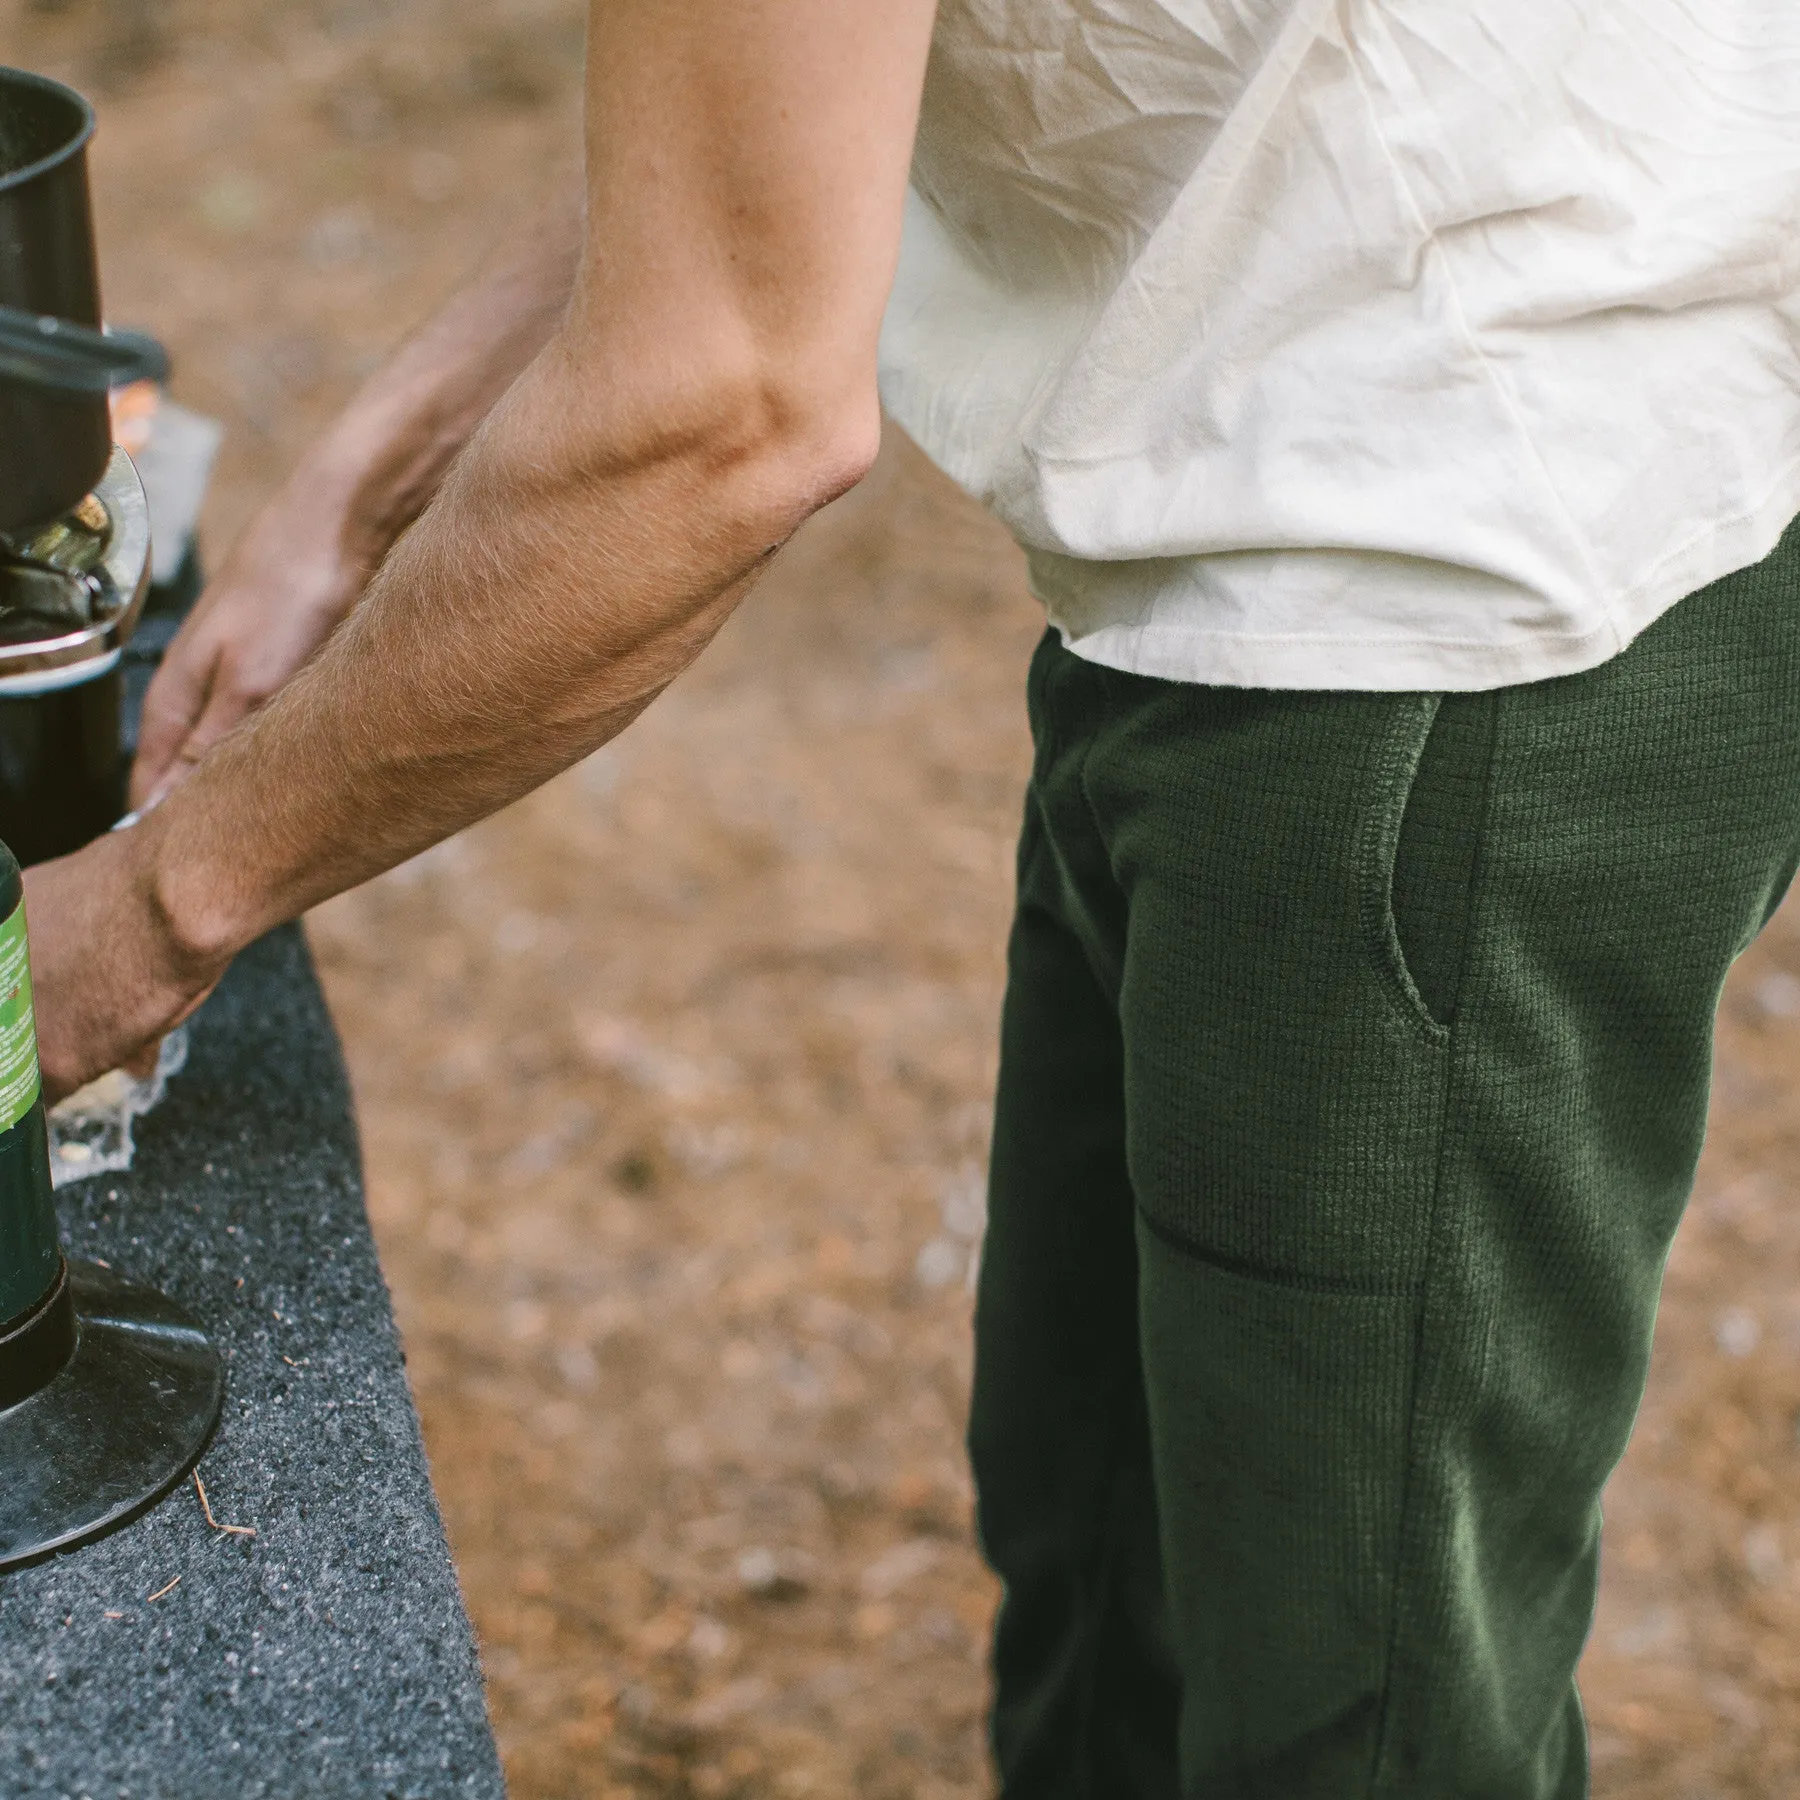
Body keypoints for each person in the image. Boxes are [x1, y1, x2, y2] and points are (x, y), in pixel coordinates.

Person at [25, 2, 1800, 1794]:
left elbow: (722, 409)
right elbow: (750, 123)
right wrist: (360, 485)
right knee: (1106, 1571)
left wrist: (140, 917)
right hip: (1245, 539)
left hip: (1468, 596)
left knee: (1356, 1730)